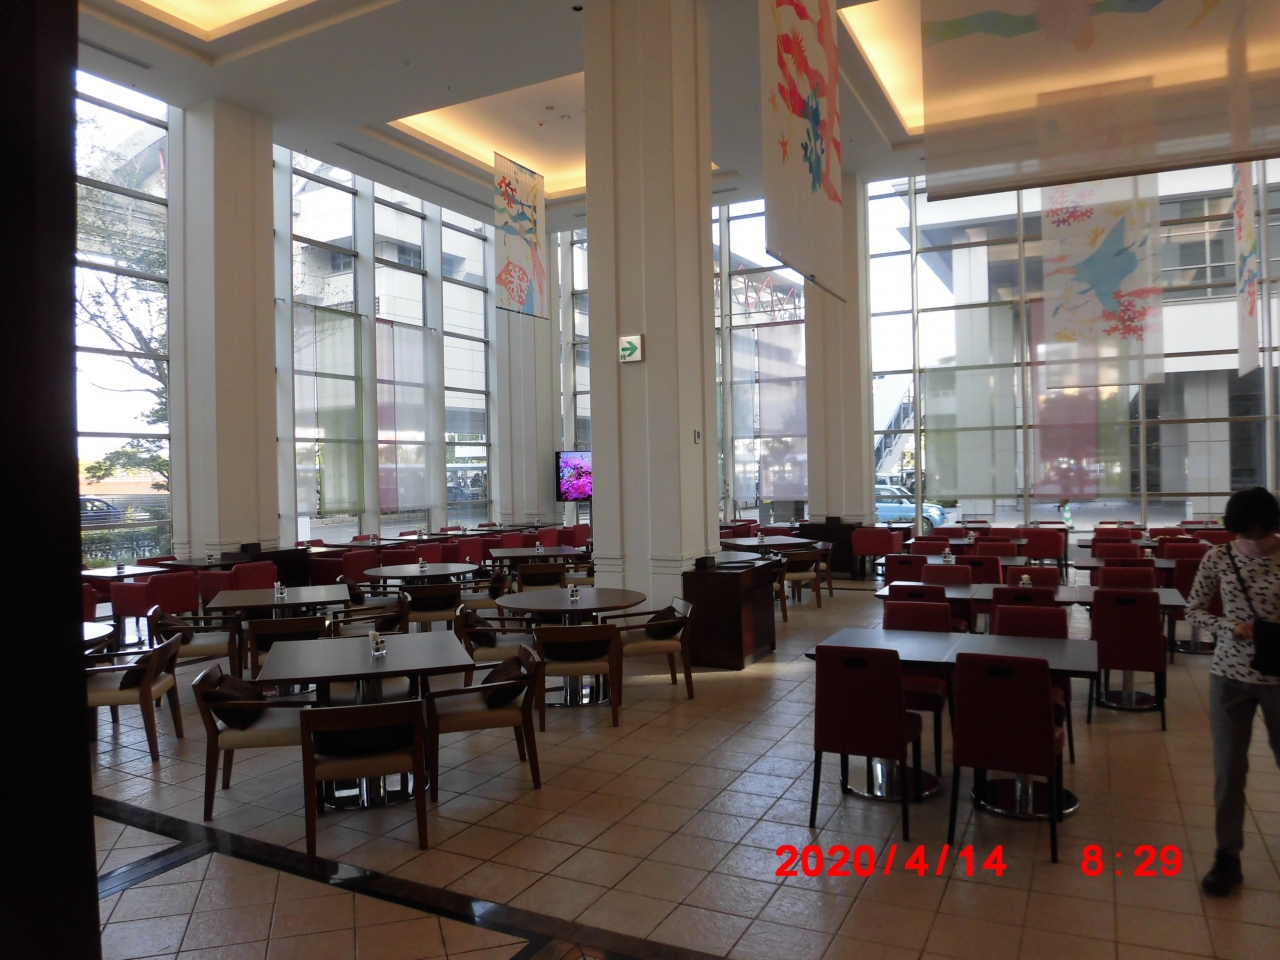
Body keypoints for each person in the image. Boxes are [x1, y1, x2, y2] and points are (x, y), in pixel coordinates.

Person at [1186, 487, 1280, 896]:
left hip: (1278, 674)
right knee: (1229, 769)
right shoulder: (1219, 556)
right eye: (1244, 531)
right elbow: (1193, 609)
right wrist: (1228, 627)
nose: (1251, 540)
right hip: (1228, 673)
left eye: (1258, 532)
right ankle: (1227, 855)